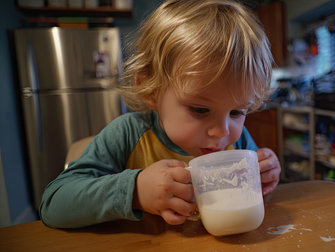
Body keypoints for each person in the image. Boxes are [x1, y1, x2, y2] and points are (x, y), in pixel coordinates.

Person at [40, 0, 281, 228]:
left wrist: (264, 176)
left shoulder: (237, 142)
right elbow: (53, 204)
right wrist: (134, 192)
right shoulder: (127, 135)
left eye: (237, 111)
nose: (222, 130)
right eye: (200, 109)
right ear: (152, 91)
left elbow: (253, 198)